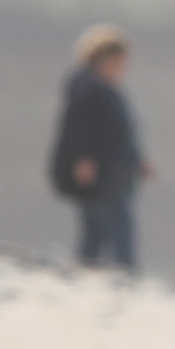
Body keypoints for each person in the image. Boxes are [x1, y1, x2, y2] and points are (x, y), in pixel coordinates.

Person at [48, 25, 151, 272]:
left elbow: (121, 134)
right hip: (104, 175)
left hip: (115, 171)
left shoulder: (105, 89)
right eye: (118, 62)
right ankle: (125, 275)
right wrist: (83, 160)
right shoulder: (88, 88)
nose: (122, 68)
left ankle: (89, 272)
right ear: (103, 59)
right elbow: (79, 129)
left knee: (97, 230)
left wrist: (138, 160)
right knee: (113, 228)